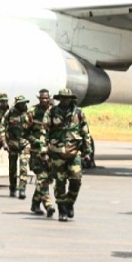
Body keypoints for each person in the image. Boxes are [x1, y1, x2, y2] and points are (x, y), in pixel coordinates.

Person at [45, 88, 93, 222]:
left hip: (74, 152)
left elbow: (85, 132)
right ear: (59, 99)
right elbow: (45, 131)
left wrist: (87, 151)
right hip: (57, 152)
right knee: (60, 182)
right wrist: (44, 151)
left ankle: (70, 202)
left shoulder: (78, 112)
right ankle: (62, 209)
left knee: (76, 179)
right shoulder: (52, 112)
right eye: (63, 98)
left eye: (68, 98)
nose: (65, 101)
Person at [27, 89, 55, 217]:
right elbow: (25, 132)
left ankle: (35, 203)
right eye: (42, 98)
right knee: (42, 178)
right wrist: (37, 141)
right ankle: (48, 205)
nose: (45, 100)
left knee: (46, 179)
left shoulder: (53, 112)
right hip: (36, 152)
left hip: (50, 152)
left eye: (46, 98)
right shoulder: (33, 112)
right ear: (39, 99)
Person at [0, 95, 32, 199]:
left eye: (25, 102)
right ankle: (12, 188)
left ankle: (22, 190)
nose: (23, 104)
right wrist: (4, 142)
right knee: (12, 168)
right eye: (21, 103)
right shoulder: (10, 113)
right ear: (17, 103)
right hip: (12, 144)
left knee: (23, 167)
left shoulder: (29, 113)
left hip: (25, 144)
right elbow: (2, 127)